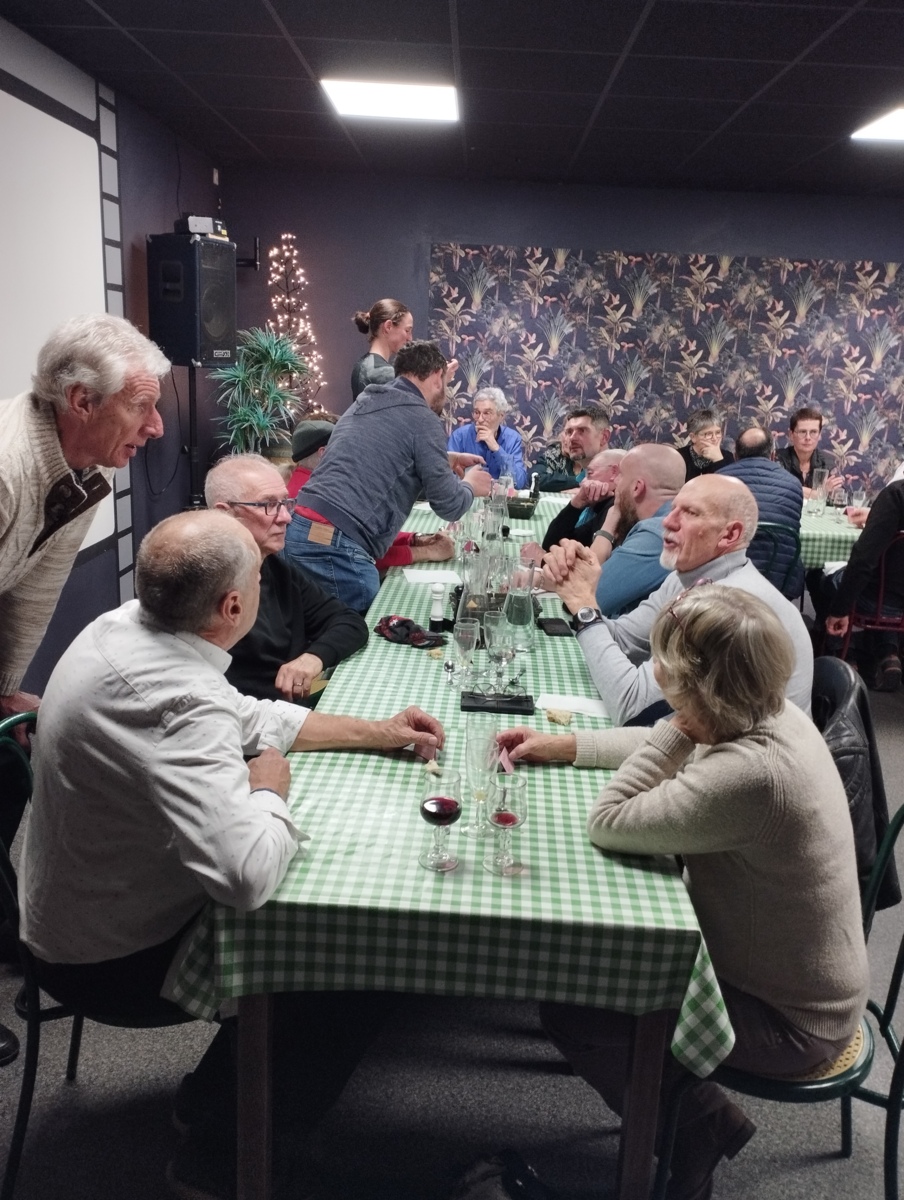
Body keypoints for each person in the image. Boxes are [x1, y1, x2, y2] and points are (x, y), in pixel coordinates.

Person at [18, 510, 445, 1199]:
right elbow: (244, 876)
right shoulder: (179, 701)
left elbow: (250, 715)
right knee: (368, 957)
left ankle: (217, 1102)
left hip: (73, 906)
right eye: (259, 575)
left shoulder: (123, 625)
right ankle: (218, 1162)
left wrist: (380, 731)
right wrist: (269, 789)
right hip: (107, 959)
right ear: (233, 607)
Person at [498, 587, 868, 1200]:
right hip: (803, 985)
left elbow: (610, 820)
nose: (654, 670)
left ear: (698, 690)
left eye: (663, 664)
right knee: (600, 969)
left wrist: (671, 732)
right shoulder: (770, 710)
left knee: (575, 1009)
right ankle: (689, 1113)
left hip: (792, 1022)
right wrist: (568, 746)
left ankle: (701, 1130)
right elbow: (691, 739)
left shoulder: (752, 776)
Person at [0, 312, 169, 1067]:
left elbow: (30, 594)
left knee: (8, 772)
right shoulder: (7, 468)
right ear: (80, 401)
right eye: (143, 407)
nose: (157, 427)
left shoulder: (84, 475)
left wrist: (5, 691)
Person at [541, 474, 814, 725]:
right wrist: (580, 587)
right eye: (673, 508)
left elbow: (630, 707)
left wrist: (585, 609)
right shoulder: (689, 575)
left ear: (730, 535)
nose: (668, 522)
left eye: (690, 513)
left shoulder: (725, 607)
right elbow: (624, 639)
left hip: (754, 757)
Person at [285, 341, 490, 612]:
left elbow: (379, 458)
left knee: (315, 627)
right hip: (338, 548)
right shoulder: (423, 418)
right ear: (437, 377)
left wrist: (445, 459)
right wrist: (470, 486)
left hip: (298, 529)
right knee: (361, 631)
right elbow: (449, 506)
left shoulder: (366, 400)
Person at [205, 455, 368, 703]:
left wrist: (313, 657)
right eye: (268, 505)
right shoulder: (206, 593)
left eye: (285, 503)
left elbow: (349, 621)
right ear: (225, 514)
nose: (286, 517)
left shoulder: (275, 568)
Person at [287, 412, 455, 575]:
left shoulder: (302, 485)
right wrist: (428, 552)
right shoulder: (318, 499)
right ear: (324, 453)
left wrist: (415, 539)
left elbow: (364, 537)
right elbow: (358, 556)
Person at [823, 479, 904, 690]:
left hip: (879, 602)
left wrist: (839, 610)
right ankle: (889, 652)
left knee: (825, 577)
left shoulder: (897, 495)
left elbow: (862, 561)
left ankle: (844, 654)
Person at [587, 442, 686, 616]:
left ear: (637, 487)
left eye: (621, 475)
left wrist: (611, 519)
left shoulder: (658, 533)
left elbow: (588, 597)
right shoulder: (672, 521)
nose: (615, 481)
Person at [718, 424, 804, 597]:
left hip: (725, 579)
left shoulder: (717, 479)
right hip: (779, 583)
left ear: (735, 455)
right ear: (772, 455)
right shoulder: (793, 484)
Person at [532, 449, 625, 554]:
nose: (582, 482)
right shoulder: (604, 507)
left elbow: (557, 550)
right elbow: (554, 545)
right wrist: (576, 504)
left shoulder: (617, 509)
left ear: (614, 472)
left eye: (590, 473)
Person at [447, 386, 528, 487]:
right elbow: (447, 479)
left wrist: (496, 448)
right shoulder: (459, 437)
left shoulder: (512, 439)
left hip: (500, 496)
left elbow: (519, 483)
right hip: (468, 494)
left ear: (501, 416)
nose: (480, 419)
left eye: (487, 413)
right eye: (477, 412)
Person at [534, 407, 612, 492]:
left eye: (582, 431)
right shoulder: (554, 456)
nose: (572, 438)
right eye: (569, 432)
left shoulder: (619, 474)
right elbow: (536, 480)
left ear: (604, 437)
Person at [350, 298, 413, 401]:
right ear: (388, 326)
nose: (410, 338)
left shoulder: (361, 364)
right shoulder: (384, 373)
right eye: (407, 330)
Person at [776, 406, 842, 497]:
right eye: (802, 432)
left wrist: (832, 492)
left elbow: (840, 494)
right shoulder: (778, 458)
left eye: (813, 432)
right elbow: (778, 487)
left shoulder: (828, 461)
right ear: (791, 435)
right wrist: (820, 493)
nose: (808, 437)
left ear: (819, 435)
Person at [676, 407, 733, 480]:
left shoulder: (727, 457)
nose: (714, 438)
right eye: (708, 434)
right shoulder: (678, 457)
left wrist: (718, 460)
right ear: (693, 437)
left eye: (718, 432)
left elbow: (728, 485)